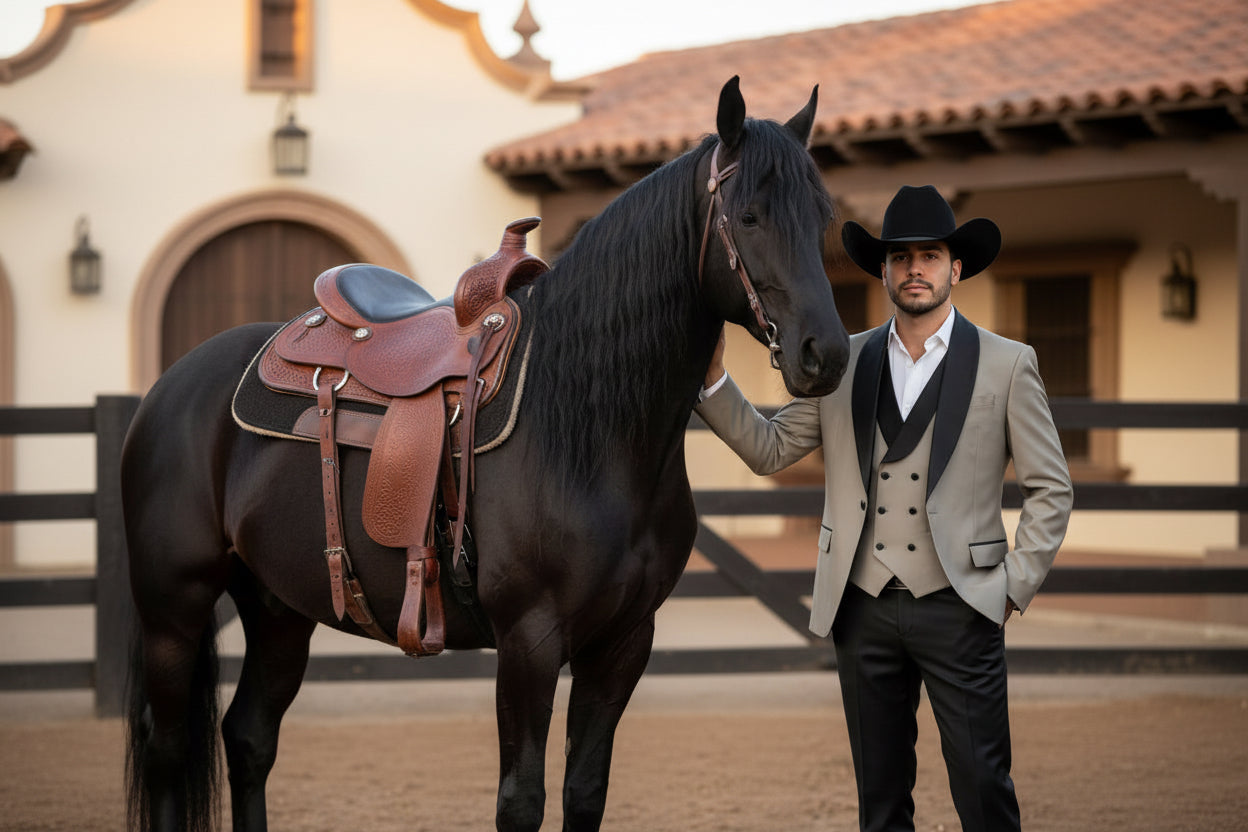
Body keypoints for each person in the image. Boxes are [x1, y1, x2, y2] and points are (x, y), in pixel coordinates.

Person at [696, 184, 1073, 832]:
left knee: (984, 786)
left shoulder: (1010, 366)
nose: (915, 269)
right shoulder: (845, 360)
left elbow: (1052, 488)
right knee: (881, 801)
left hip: (964, 604)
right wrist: (711, 380)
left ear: (956, 268)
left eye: (930, 256)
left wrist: (1013, 585)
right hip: (862, 608)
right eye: (901, 257)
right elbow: (771, 447)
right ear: (884, 269)